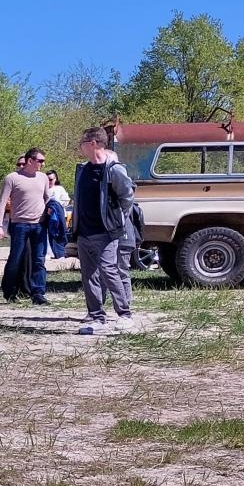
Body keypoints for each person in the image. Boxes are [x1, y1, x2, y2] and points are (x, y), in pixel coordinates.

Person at [73, 127, 136, 334]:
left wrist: (118, 220)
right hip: (84, 232)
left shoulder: (114, 169)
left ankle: (125, 315)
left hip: (106, 233)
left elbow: (127, 196)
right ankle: (96, 316)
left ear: (92, 143)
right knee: (88, 275)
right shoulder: (82, 169)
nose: (80, 147)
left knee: (109, 271)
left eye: (82, 143)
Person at [0, 147, 53, 304]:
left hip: (39, 225)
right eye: (40, 161)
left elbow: (47, 198)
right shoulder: (12, 178)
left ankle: (38, 293)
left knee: (39, 260)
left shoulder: (43, 178)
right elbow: (2, 202)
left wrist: (52, 211)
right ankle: (10, 292)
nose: (43, 164)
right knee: (16, 258)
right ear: (30, 161)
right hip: (19, 225)